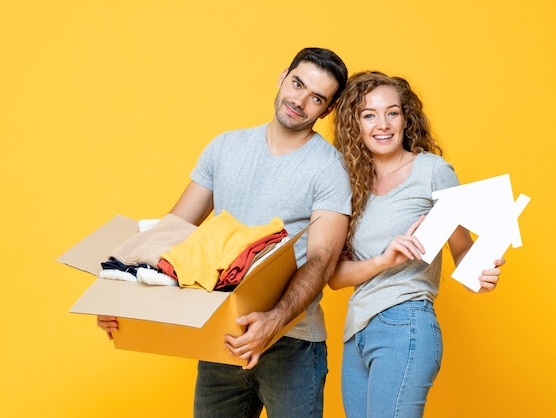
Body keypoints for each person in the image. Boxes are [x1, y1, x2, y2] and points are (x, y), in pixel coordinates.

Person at [97, 47, 352, 418]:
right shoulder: (226, 147)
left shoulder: (329, 169)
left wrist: (274, 321)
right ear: (283, 77)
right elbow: (174, 232)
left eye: (316, 98)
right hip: (219, 336)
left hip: (291, 344)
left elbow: (322, 259)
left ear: (326, 110)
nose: (299, 101)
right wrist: (122, 299)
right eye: (297, 84)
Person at [329, 71, 506, 418]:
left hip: (405, 322)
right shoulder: (351, 185)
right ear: (355, 124)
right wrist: (384, 260)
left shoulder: (431, 171)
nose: (383, 124)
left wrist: (480, 272)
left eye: (392, 112)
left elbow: (462, 250)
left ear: (405, 118)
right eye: (369, 115)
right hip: (356, 332)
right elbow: (336, 277)